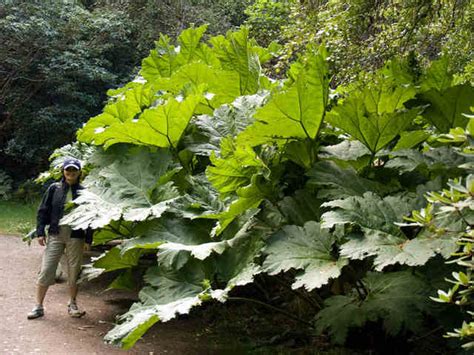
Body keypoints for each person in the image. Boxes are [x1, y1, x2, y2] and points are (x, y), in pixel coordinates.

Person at [27, 158, 92, 319]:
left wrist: (88, 240)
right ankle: (38, 306)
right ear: (63, 171)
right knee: (47, 269)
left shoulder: (85, 192)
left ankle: (73, 304)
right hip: (56, 234)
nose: (71, 173)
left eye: (74, 170)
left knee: (74, 271)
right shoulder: (54, 189)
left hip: (76, 236)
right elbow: (43, 211)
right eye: (68, 170)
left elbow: (91, 217)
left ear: (79, 172)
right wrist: (40, 231)